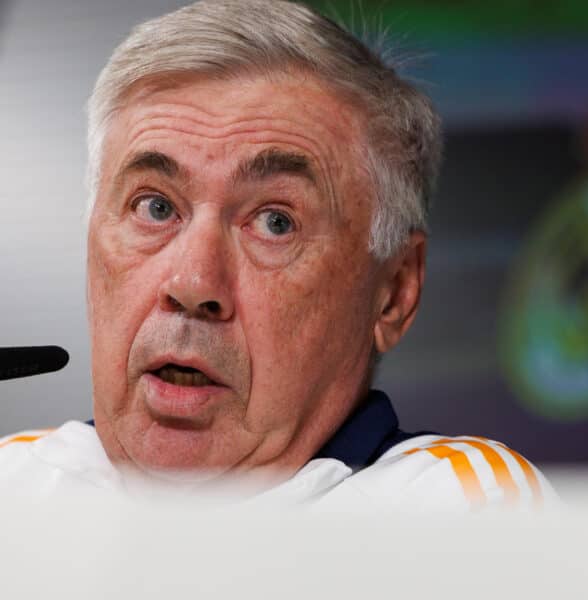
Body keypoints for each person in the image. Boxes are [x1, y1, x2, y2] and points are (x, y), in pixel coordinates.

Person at [0, 0, 555, 510]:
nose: (193, 284)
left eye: (275, 222)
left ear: (394, 294)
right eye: (155, 207)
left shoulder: (456, 505)